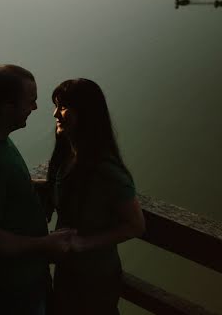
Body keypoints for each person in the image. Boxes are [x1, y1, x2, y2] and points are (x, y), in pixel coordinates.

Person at [0, 64, 75, 315]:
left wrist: (35, 190)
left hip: (22, 282)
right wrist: (44, 244)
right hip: (12, 292)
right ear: (6, 107)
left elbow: (0, 191)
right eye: (30, 101)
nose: (34, 108)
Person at [46, 78, 146, 315]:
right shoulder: (66, 157)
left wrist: (82, 244)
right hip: (66, 271)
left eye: (62, 107)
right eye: (56, 106)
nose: (55, 114)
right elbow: (62, 188)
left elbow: (136, 225)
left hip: (96, 278)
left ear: (86, 113)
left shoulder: (107, 170)